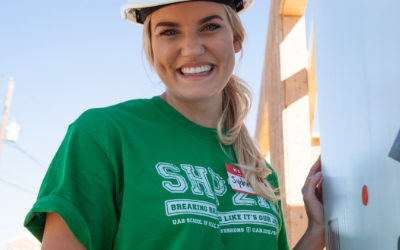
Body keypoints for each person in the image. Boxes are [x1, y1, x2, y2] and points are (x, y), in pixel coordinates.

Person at [23, 0, 325, 249]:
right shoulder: (104, 136)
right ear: (152, 48)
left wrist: (316, 232)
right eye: (169, 32)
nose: (191, 49)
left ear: (235, 39)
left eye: (209, 26)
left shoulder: (259, 172)